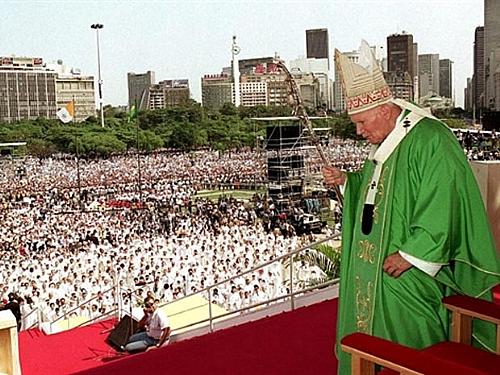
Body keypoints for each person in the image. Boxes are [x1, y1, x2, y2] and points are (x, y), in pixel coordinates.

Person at [325, 42, 500, 375]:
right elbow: (375, 185)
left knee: (414, 339)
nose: (360, 132)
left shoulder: (431, 139)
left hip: (406, 268)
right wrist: (347, 180)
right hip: (373, 262)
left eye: (362, 123)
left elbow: (444, 202)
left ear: (386, 110)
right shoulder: (386, 139)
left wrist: (411, 255)